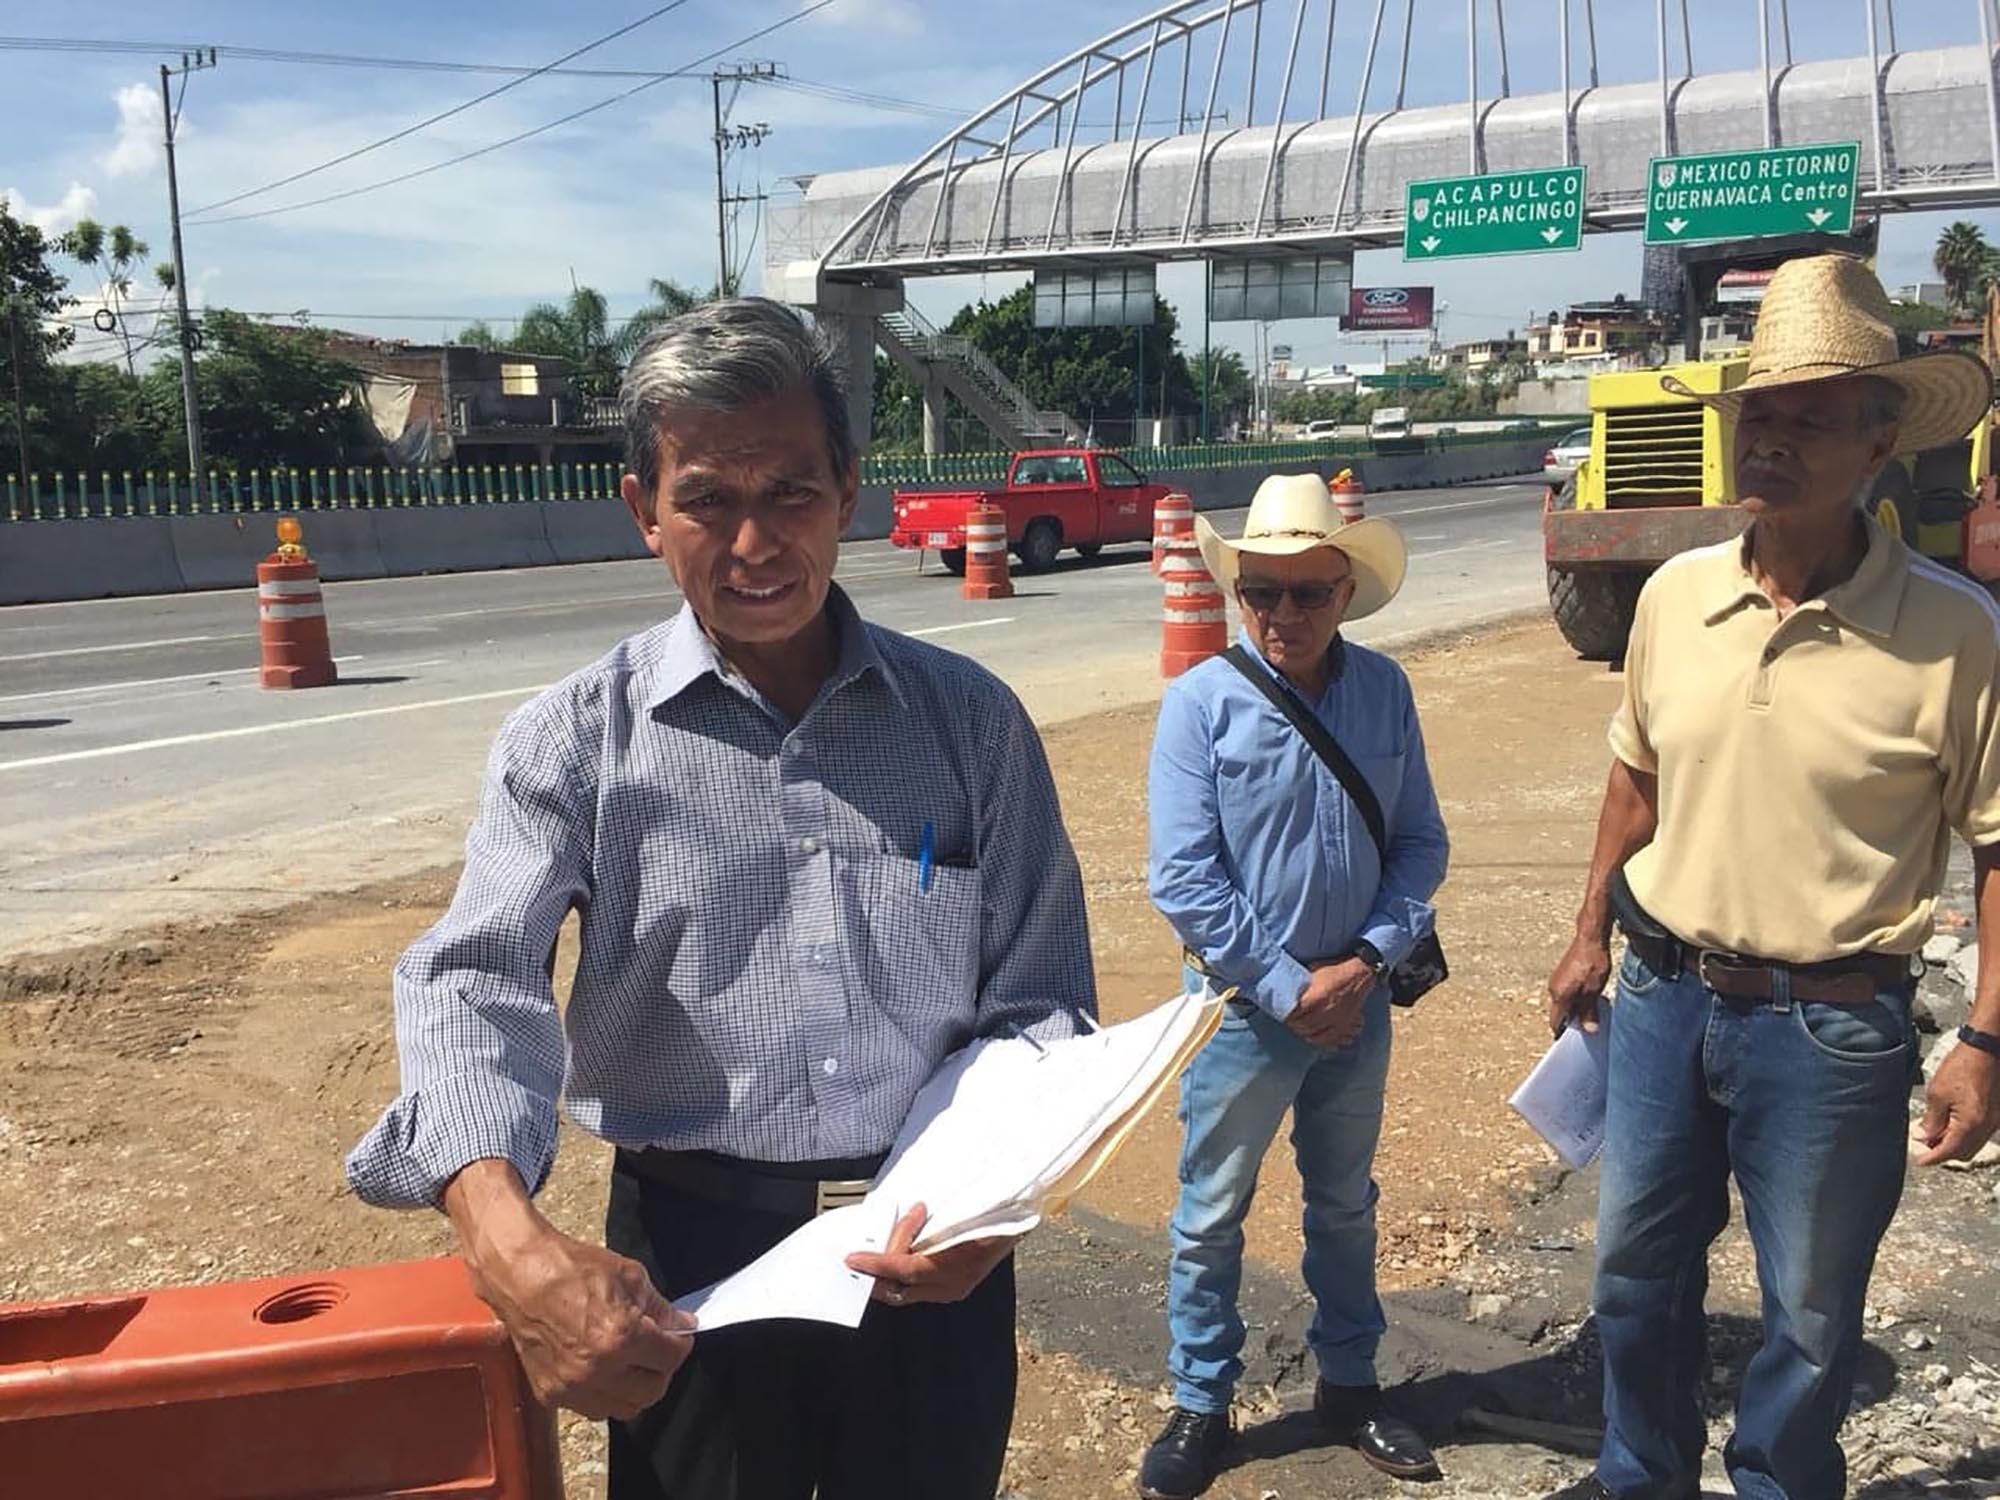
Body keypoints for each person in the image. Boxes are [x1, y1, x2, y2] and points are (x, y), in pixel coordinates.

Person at [346, 297, 1097, 1500]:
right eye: (707, 498)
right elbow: (473, 976)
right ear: (643, 510)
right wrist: (501, 1232)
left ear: (846, 491)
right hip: (688, 1268)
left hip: (931, 1248)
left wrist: (993, 1201)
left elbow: (1041, 1001)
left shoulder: (971, 725)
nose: (754, 542)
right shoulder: (573, 742)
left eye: (790, 492)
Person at [1544, 253, 2000, 1500]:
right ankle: (1642, 1476)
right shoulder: (1673, 596)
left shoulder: (1954, 631)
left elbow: (1995, 845)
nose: (1770, 441)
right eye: (1757, 415)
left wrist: (1982, 1040)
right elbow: (1633, 777)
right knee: (1631, 1279)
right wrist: (1586, 933)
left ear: (1877, 443)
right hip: (1661, 998)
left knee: (1805, 1312)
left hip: (1832, 1026)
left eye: (1807, 419)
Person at [1138, 474, 1450, 1499]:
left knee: (1345, 1204)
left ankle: (1349, 1386)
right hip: (1241, 1011)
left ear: (1345, 592)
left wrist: (1360, 967)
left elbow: (1420, 843)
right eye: (1261, 591)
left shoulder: (1384, 692)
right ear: (1237, 594)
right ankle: (1200, 1400)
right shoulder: (1199, 705)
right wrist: (1288, 989)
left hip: (1355, 1003)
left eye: (1308, 592)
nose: (1283, 613)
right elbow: (1183, 878)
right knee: (1209, 1214)